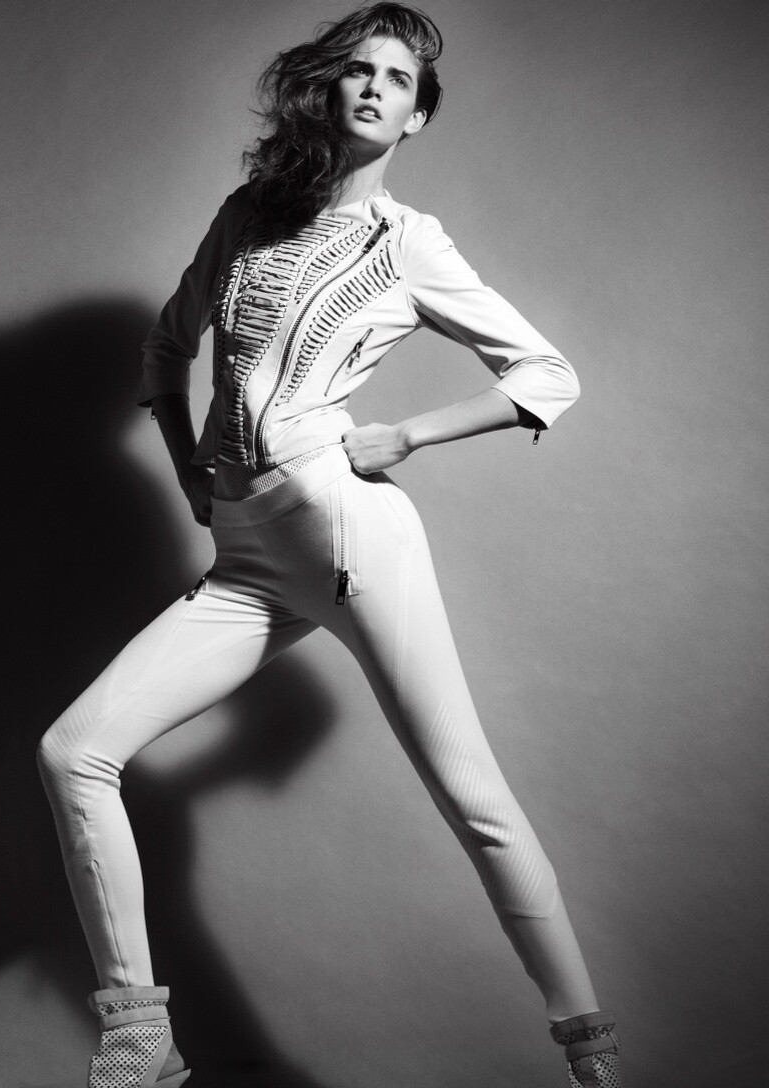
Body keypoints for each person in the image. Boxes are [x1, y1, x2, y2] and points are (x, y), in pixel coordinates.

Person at [37, 5, 621, 1086]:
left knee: (471, 799)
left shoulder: (408, 243)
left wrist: (407, 435)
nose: (373, 87)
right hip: (247, 556)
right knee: (74, 752)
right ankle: (141, 1032)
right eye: (358, 69)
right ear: (327, 87)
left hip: (347, 532)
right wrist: (188, 467)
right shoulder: (247, 217)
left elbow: (548, 374)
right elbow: (167, 347)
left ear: (415, 118)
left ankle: (591, 1052)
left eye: (397, 80)